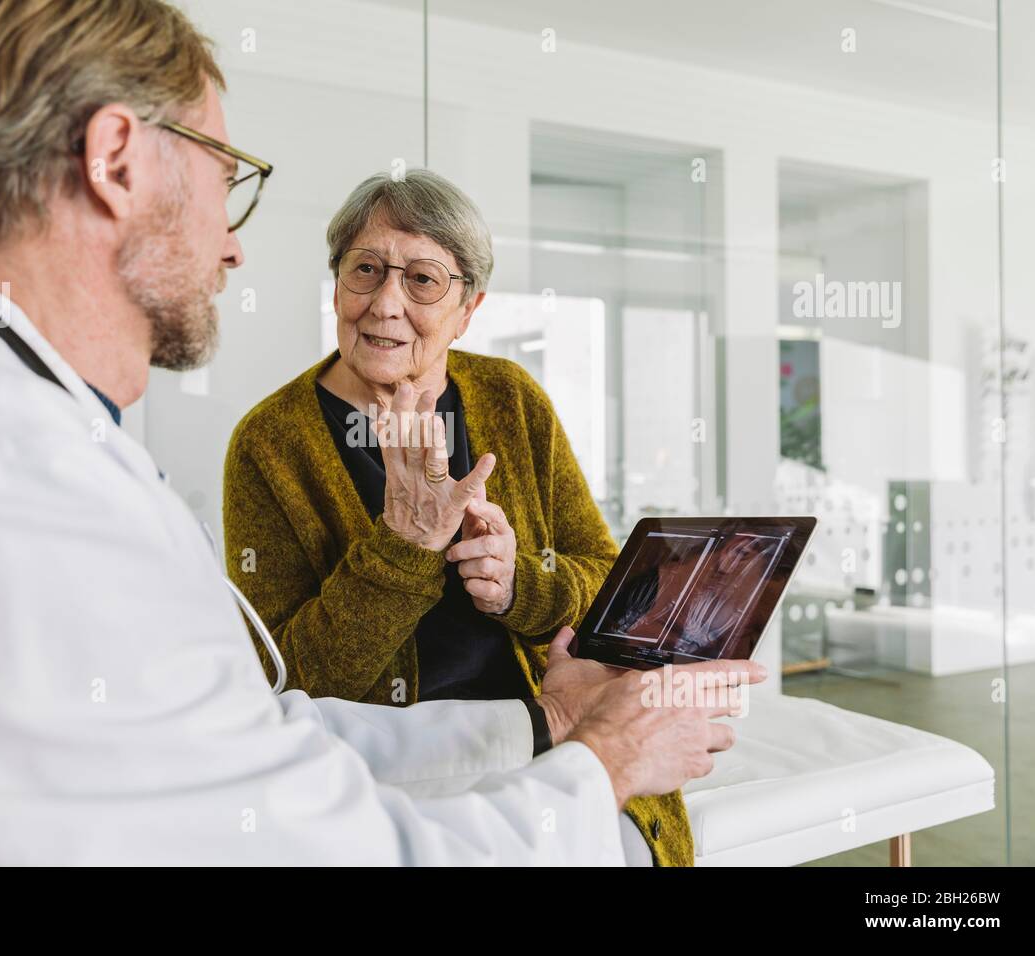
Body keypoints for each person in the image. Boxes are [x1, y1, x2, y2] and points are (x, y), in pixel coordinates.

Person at [0, 0, 761, 865]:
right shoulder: (5, 489)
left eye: (425, 278)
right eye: (224, 172)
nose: (234, 244)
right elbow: (306, 847)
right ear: (115, 160)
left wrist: (550, 722)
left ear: (468, 302)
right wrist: (608, 763)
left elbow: (264, 736)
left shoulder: (1, 430)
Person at [223, 170, 691, 864]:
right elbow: (286, 683)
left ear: (469, 308)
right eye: (366, 270)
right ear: (336, 285)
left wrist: (520, 586)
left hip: (549, 736)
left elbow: (612, 587)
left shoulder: (512, 398)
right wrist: (404, 547)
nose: (385, 303)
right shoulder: (270, 443)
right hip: (389, 777)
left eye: (422, 280)